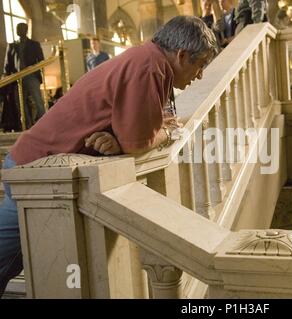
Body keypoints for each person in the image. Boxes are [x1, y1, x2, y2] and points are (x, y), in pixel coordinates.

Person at [0, 16, 218, 298]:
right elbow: (139, 142)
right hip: (35, 172)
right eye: (199, 66)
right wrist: (164, 133)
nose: (199, 76)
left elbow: (136, 133)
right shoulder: (149, 66)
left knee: (11, 262)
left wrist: (128, 137)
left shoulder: (148, 60)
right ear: (182, 55)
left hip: (37, 167)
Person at [3, 23, 45, 129]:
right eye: (17, 28)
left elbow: (41, 60)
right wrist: (5, 76)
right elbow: (7, 64)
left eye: (20, 28)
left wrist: (34, 69)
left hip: (31, 76)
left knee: (37, 101)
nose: (18, 30)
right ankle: (27, 125)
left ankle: (43, 123)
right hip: (17, 78)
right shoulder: (12, 45)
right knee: (20, 103)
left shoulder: (34, 44)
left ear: (26, 30)